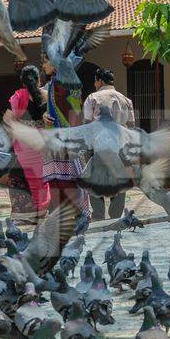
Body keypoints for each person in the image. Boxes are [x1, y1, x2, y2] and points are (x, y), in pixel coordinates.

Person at [41, 58, 90, 221]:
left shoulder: (61, 84)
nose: (44, 65)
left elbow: (72, 111)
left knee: (63, 181)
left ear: (55, 65)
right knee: (65, 180)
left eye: (46, 61)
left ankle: (69, 216)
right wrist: (45, 115)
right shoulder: (61, 82)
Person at [83, 68, 136, 221]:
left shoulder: (92, 98)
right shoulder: (126, 100)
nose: (94, 83)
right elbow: (131, 127)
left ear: (99, 81)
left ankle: (99, 216)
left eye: (95, 80)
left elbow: (87, 125)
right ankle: (115, 217)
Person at [4, 65, 50, 221]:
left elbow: (9, 121)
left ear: (22, 81)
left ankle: (27, 215)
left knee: (26, 178)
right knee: (41, 180)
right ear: (38, 80)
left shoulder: (18, 96)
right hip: (42, 143)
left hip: (24, 145)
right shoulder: (46, 95)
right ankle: (42, 212)